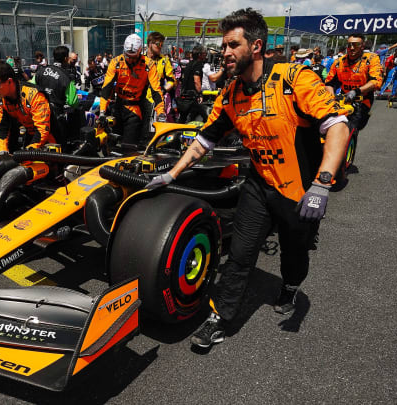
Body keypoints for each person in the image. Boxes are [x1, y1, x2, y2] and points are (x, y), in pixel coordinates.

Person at [145, 8, 351, 348]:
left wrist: (322, 184)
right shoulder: (231, 93)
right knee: (239, 254)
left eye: (232, 45)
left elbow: (338, 127)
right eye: (223, 46)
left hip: (300, 189)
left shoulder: (294, 78)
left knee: (294, 254)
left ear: (255, 46)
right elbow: (204, 140)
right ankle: (220, 318)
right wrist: (171, 174)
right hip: (258, 183)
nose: (224, 52)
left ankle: (290, 287)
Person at [99, 34, 165, 146]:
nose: (129, 60)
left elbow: (156, 90)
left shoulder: (148, 64)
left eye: (133, 57)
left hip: (135, 109)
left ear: (140, 52)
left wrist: (161, 112)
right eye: (127, 56)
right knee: (111, 143)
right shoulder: (116, 62)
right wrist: (102, 111)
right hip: (118, 107)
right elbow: (107, 87)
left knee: (128, 146)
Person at [0, 61, 55, 151]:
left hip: (50, 137)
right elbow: (2, 128)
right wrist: (2, 151)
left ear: (9, 81)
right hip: (31, 135)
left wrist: (30, 151)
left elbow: (43, 129)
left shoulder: (33, 95)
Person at [325, 33, 383, 131]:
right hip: (344, 98)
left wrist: (356, 91)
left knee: (353, 127)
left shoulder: (371, 59)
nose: (352, 48)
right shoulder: (339, 62)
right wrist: (332, 98)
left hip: (363, 99)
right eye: (349, 45)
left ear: (362, 46)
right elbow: (329, 83)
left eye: (356, 45)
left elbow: (376, 81)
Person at [34, 45, 79, 143]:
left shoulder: (41, 71)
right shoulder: (65, 77)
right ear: (66, 58)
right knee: (61, 145)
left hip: (38, 113)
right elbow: (73, 101)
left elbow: (30, 86)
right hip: (55, 116)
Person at [143, 31, 176, 136]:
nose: (160, 47)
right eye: (158, 44)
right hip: (140, 99)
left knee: (153, 131)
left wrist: (164, 89)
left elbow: (171, 80)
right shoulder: (141, 59)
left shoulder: (164, 60)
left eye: (162, 44)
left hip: (156, 101)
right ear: (150, 44)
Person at [176, 45, 208, 123]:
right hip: (192, 97)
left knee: (183, 119)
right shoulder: (198, 64)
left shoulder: (189, 64)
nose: (206, 54)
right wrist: (200, 94)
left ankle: (180, 131)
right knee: (206, 117)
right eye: (204, 53)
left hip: (185, 96)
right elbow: (196, 80)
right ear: (200, 55)